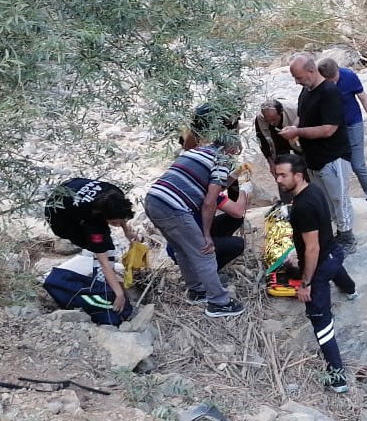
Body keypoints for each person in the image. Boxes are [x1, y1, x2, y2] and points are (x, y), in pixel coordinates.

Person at [274, 153, 356, 393]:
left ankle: (337, 378)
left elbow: (312, 248)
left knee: (320, 320)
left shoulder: (303, 207)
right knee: (335, 269)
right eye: (277, 174)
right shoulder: (313, 191)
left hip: (320, 264)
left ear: (298, 176)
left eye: (283, 175)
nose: (278, 179)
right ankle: (351, 290)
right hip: (334, 253)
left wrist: (305, 283)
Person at [145, 133, 246, 317]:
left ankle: (197, 290)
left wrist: (234, 175)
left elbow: (208, 185)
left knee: (181, 249)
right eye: (235, 153)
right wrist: (206, 234)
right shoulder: (221, 160)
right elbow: (210, 202)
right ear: (230, 149)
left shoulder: (197, 152)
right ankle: (219, 302)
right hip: (174, 208)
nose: (234, 157)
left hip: (154, 200)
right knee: (204, 252)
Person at [280, 54, 358, 252]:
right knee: (323, 200)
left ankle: (348, 238)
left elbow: (329, 129)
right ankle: (332, 235)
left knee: (339, 198)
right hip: (313, 158)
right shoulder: (306, 91)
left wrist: (297, 131)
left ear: (311, 71)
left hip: (333, 156)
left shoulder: (330, 92)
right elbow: (301, 114)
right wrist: (294, 128)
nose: (297, 82)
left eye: (299, 77)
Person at [44, 178, 137, 314]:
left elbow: (121, 215)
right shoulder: (93, 222)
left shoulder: (116, 195)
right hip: (60, 218)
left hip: (70, 190)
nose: (118, 224)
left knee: (104, 246)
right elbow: (104, 262)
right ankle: (102, 288)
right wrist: (119, 294)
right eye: (114, 223)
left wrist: (127, 231)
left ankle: (106, 281)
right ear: (104, 217)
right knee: (105, 250)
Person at [325, 63, 367, 218]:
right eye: (329, 81)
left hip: (353, 124)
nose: (332, 83)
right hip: (333, 128)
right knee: (335, 169)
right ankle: (339, 206)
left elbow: (363, 98)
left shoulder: (349, 76)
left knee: (358, 166)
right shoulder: (318, 82)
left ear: (338, 71)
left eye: (334, 80)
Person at [254, 99, 301, 177]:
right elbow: (262, 141)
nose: (271, 123)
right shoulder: (260, 119)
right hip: (279, 145)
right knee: (281, 171)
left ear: (281, 112)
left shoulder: (294, 111)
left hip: (298, 141)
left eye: (274, 120)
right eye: (268, 121)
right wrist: (270, 161)